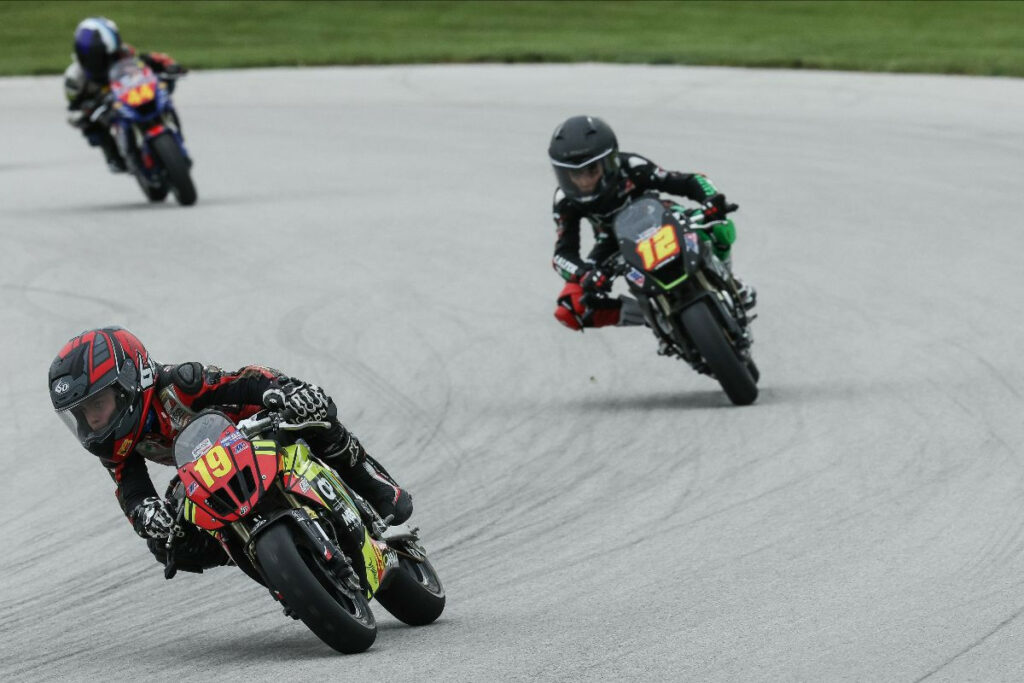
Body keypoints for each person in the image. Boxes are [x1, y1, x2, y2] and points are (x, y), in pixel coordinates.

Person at [48, 327, 412, 574]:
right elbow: (132, 490)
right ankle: (257, 554)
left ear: (131, 379)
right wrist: (146, 513)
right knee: (167, 545)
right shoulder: (114, 447)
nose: (93, 419)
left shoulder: (180, 383)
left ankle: (376, 485)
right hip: (206, 469)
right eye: (82, 413)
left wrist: (284, 391)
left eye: (98, 405)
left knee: (314, 413)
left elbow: (244, 380)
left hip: (260, 433)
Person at [547, 115, 756, 331]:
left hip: (659, 215)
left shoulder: (632, 166)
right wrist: (585, 273)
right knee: (570, 307)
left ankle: (730, 279)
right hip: (613, 240)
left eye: (591, 170)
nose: (584, 181)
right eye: (574, 174)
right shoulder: (564, 200)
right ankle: (655, 317)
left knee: (720, 227)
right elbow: (562, 255)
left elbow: (687, 181)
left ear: (610, 161)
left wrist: (711, 199)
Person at [63, 16, 185, 172]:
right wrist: (87, 109)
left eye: (106, 57)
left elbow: (145, 60)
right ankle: (112, 155)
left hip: (131, 93)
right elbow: (73, 109)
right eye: (96, 58)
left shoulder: (124, 53)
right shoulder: (74, 78)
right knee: (93, 129)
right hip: (105, 107)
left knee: (164, 89)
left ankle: (171, 131)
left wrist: (169, 66)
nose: (101, 62)